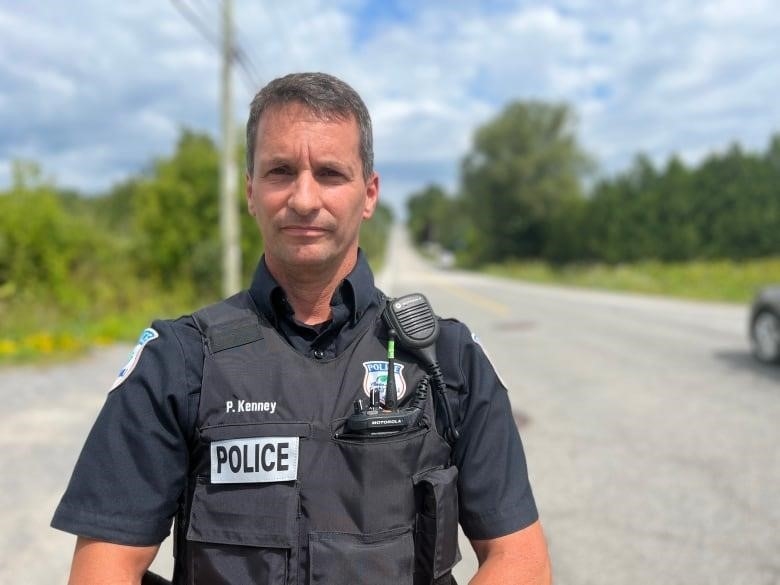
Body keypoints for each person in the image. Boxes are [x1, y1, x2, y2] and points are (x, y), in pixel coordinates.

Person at [52, 72, 551, 585]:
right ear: (251, 192)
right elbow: (104, 568)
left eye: (331, 173)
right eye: (280, 171)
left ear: (369, 193)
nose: (305, 199)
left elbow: (522, 562)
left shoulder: (449, 359)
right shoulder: (178, 360)